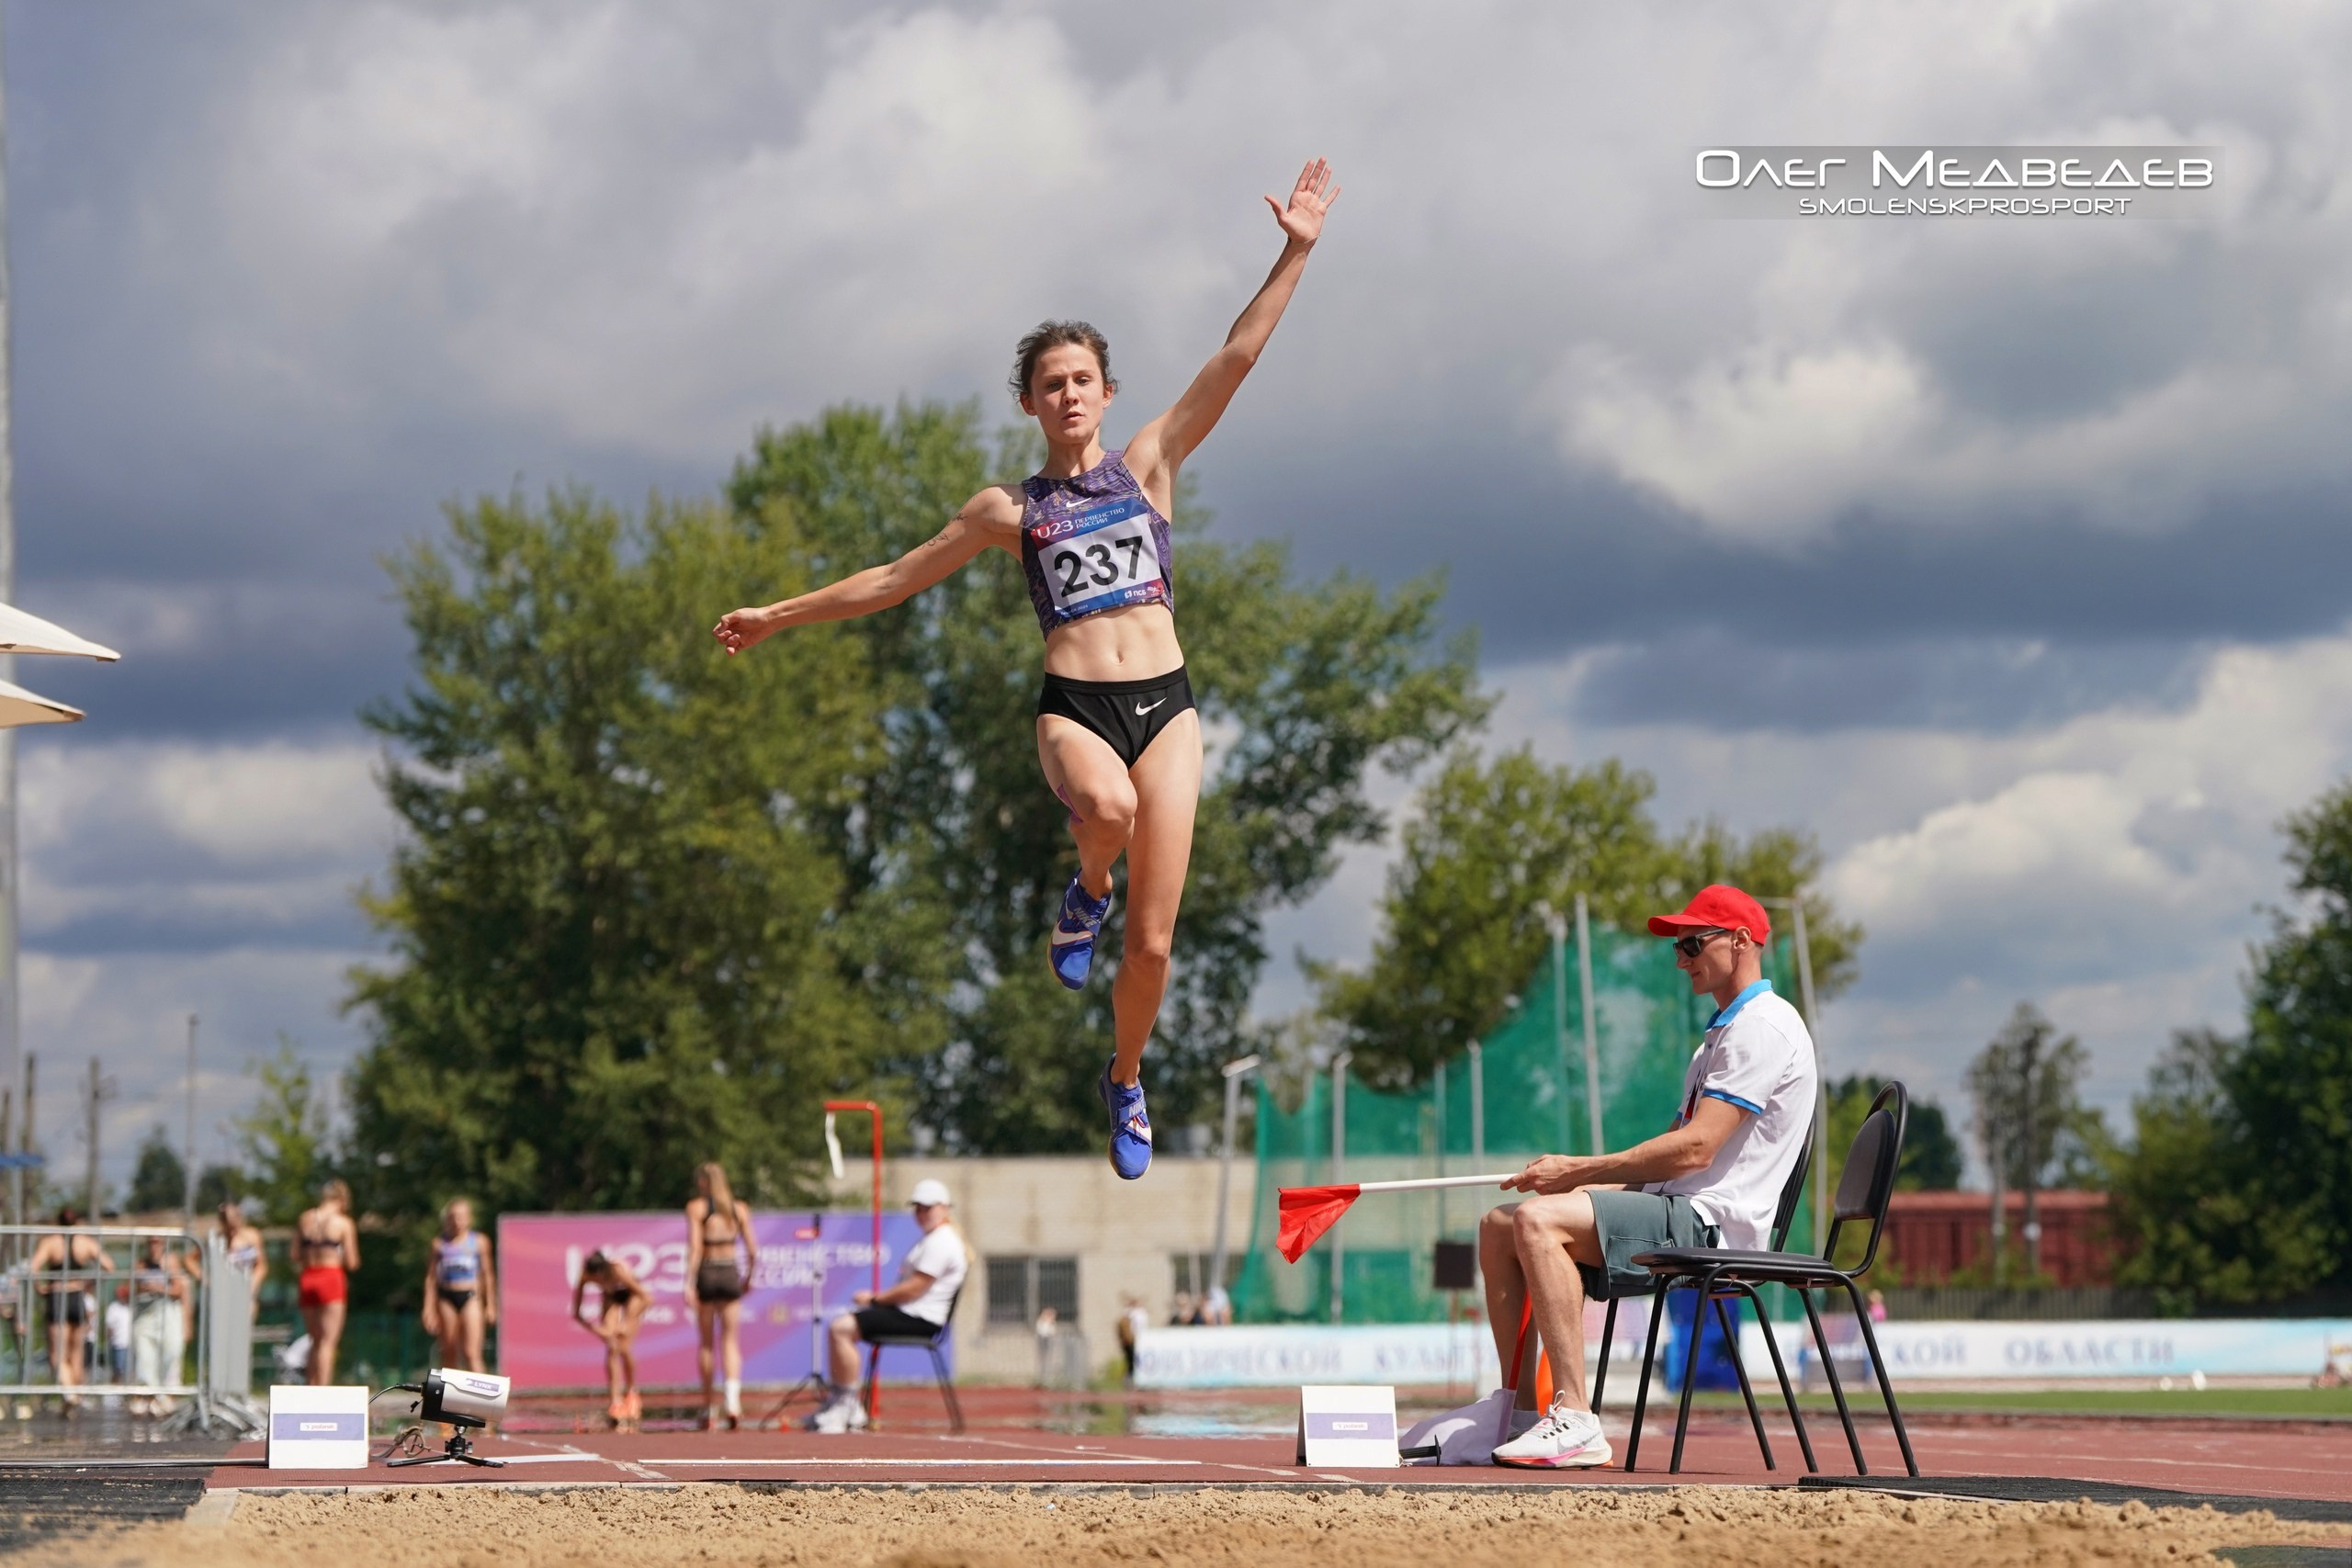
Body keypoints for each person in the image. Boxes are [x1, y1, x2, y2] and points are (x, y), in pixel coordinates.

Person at [715, 159, 1342, 1183]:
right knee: (1107, 809)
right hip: (1077, 708)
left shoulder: (1149, 465)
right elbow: (891, 578)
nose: (1067, 394)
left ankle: (1126, 1075)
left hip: (1169, 708)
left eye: (1081, 379)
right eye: (1049, 383)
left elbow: (1235, 356)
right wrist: (777, 616)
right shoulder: (1006, 510)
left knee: (1151, 952)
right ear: (1028, 403)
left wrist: (1296, 249)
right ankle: (1084, 883)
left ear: (1104, 392)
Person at [1479, 885, 1818, 1469]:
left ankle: (1576, 1419)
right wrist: (1572, 1182)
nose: (1681, 959)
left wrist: (1579, 1170)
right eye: (1677, 948)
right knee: (1497, 1224)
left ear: (1740, 942)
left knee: (1538, 1223)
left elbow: (1694, 1151)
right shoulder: (1720, 1035)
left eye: (1692, 943)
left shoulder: (1763, 1027)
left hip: (1710, 1227)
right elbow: (1657, 1172)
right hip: (1676, 1211)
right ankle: (1515, 1415)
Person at [809, 1179, 967, 1434]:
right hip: (909, 1313)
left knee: (841, 1327)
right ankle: (841, 1402)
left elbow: (914, 1288)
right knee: (841, 1325)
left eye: (928, 1207)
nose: (921, 1213)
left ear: (945, 1207)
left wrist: (874, 1300)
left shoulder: (942, 1241)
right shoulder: (933, 1239)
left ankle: (847, 1405)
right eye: (917, 1207)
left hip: (920, 1320)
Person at [684, 1162, 758, 1430]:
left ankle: (707, 1406)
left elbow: (694, 1248)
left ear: (703, 1183)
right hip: (729, 1273)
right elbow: (753, 1250)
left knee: (706, 1343)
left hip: (707, 1271)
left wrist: (688, 1283)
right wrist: (749, 1277)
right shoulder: (739, 1210)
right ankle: (733, 1401)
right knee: (730, 1340)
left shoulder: (697, 1208)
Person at [26, 1209, 114, 1411]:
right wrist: (89, 1283)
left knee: (57, 1354)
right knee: (76, 1353)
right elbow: (109, 1265)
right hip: (77, 1296)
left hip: (58, 1296)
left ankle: (70, 1394)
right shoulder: (86, 1242)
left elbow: (33, 1268)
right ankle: (75, 1396)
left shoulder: (50, 1242)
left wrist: (41, 1288)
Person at [571, 1250, 648, 1429]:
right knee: (612, 1347)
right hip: (611, 1298)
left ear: (601, 1273)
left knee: (625, 1345)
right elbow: (577, 1313)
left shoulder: (617, 1271)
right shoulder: (585, 1276)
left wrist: (627, 1324)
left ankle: (632, 1391)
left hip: (633, 1297)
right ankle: (615, 1401)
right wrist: (597, 1330)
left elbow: (646, 1297)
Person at [423, 1198, 498, 1376]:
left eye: (461, 1217)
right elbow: (431, 1278)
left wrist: (491, 1305)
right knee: (449, 1351)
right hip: (446, 1297)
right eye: (453, 1217)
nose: (457, 1221)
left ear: (469, 1219)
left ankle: (481, 1399)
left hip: (471, 1296)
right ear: (447, 1219)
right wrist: (428, 1308)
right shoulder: (439, 1244)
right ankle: (450, 1398)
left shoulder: (479, 1242)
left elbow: (487, 1274)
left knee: (472, 1352)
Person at [296, 1179, 360, 1386]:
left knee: (314, 1341)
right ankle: (323, 1392)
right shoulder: (343, 1222)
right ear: (342, 1200)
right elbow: (352, 1261)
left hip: (308, 1276)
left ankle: (310, 1387)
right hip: (330, 1276)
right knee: (328, 1342)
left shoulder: (305, 1218)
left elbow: (295, 1254)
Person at [129, 1233, 191, 1416]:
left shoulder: (171, 1261)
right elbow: (129, 1289)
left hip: (167, 1313)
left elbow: (179, 1289)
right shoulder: (140, 1264)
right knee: (145, 1356)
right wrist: (143, 1286)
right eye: (151, 1242)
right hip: (146, 1314)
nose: (154, 1246)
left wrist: (159, 1287)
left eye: (158, 1243)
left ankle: (166, 1397)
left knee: (170, 1354)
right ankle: (146, 1396)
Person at [216, 1200, 268, 1319]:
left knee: (245, 1322)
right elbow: (190, 1259)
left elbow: (261, 1265)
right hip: (225, 1290)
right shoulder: (217, 1240)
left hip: (247, 1287)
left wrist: (253, 1284)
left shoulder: (252, 1236)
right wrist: (206, 1279)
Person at [103, 1285, 132, 1396]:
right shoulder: (113, 1307)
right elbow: (109, 1327)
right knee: (118, 1370)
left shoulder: (130, 1307)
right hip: (118, 1344)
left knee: (128, 1371)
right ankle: (113, 1394)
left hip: (130, 1344)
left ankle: (125, 1394)